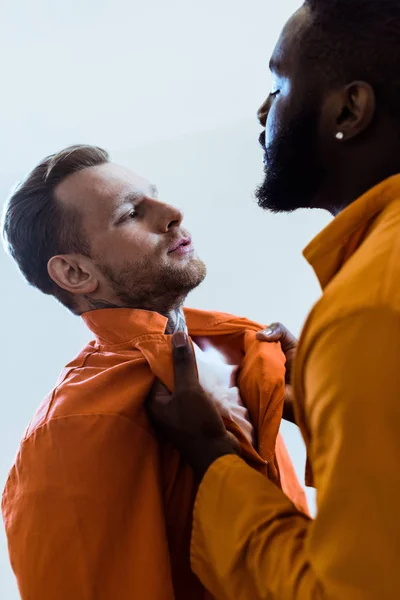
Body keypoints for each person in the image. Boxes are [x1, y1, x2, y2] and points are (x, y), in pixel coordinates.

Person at [146, 1, 400, 598]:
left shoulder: (368, 311)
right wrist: (320, 401)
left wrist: (211, 456)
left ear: (350, 109)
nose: (264, 110)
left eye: (279, 83)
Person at [1, 145, 307, 600]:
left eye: (156, 197)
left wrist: (317, 395)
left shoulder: (243, 356)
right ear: (74, 272)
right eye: (130, 213)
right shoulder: (73, 428)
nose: (172, 213)